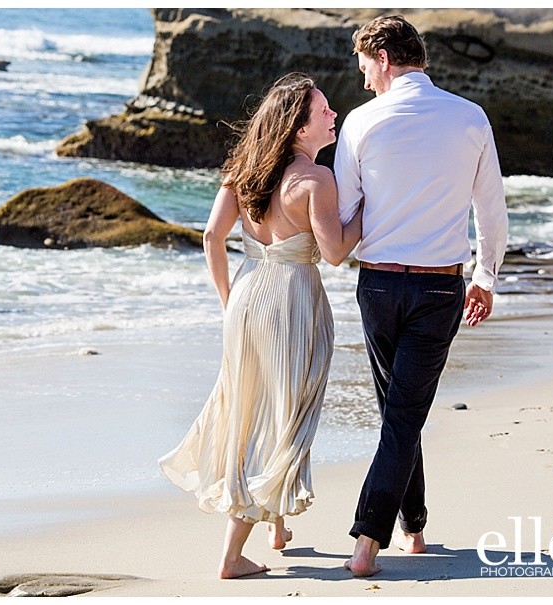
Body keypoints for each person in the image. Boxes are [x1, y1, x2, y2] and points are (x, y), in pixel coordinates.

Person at [159, 73, 363, 579]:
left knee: (249, 405)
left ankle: (274, 527)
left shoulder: (243, 171)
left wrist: (229, 301)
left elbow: (211, 236)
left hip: (248, 296)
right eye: (323, 111)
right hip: (292, 300)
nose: (333, 115)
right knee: (283, 416)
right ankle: (231, 554)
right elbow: (335, 253)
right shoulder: (315, 180)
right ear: (298, 129)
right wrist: (370, 213)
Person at [333, 15, 509, 576]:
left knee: (400, 411)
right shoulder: (470, 117)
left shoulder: (361, 122)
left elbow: (343, 213)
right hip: (441, 285)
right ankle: (408, 530)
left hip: (379, 284)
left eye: (365, 67)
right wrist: (485, 277)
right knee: (401, 411)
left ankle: (371, 536)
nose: (363, 82)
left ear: (383, 56)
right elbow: (492, 209)